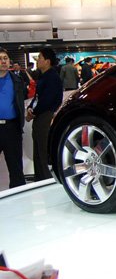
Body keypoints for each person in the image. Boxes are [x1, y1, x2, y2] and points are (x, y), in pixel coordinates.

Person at [25, 47, 63, 181]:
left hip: (45, 116)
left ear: (47, 61)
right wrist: (30, 108)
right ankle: (40, 177)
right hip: (39, 116)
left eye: (40, 58)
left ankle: (46, 179)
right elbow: (37, 97)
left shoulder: (52, 77)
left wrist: (33, 112)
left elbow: (47, 100)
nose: (37, 60)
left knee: (42, 149)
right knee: (37, 149)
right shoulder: (43, 76)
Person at [0, 48, 26, 188]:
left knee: (16, 168)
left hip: (12, 128)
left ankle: (18, 195)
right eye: (0, 59)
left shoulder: (17, 80)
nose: (3, 61)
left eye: (5, 58)